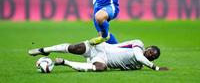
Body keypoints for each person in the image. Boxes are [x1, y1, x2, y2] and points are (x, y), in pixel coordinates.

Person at [29, 39, 170, 72]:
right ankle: (44, 50)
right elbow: (139, 57)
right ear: (148, 48)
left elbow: (122, 68)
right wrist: (157, 68)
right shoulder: (138, 45)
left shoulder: (138, 67)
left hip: (103, 59)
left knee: (101, 68)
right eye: (151, 51)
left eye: (153, 57)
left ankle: (64, 62)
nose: (151, 55)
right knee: (74, 48)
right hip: (101, 47)